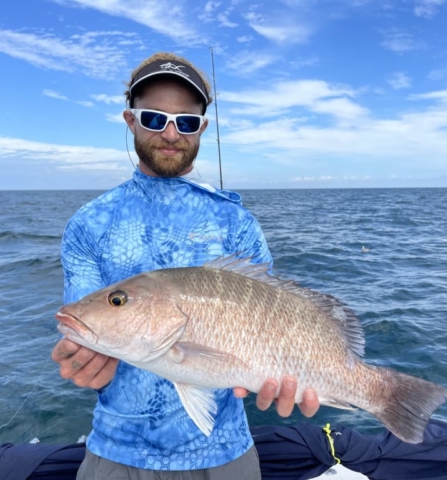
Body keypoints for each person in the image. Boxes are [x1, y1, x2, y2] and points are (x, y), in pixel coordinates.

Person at [51, 52, 320, 479]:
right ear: (130, 120)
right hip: (116, 453)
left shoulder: (238, 222)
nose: (171, 133)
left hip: (226, 451)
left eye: (187, 122)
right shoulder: (88, 224)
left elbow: (275, 317)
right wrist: (83, 361)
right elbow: (89, 325)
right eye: (155, 118)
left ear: (202, 128)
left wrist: (293, 374)